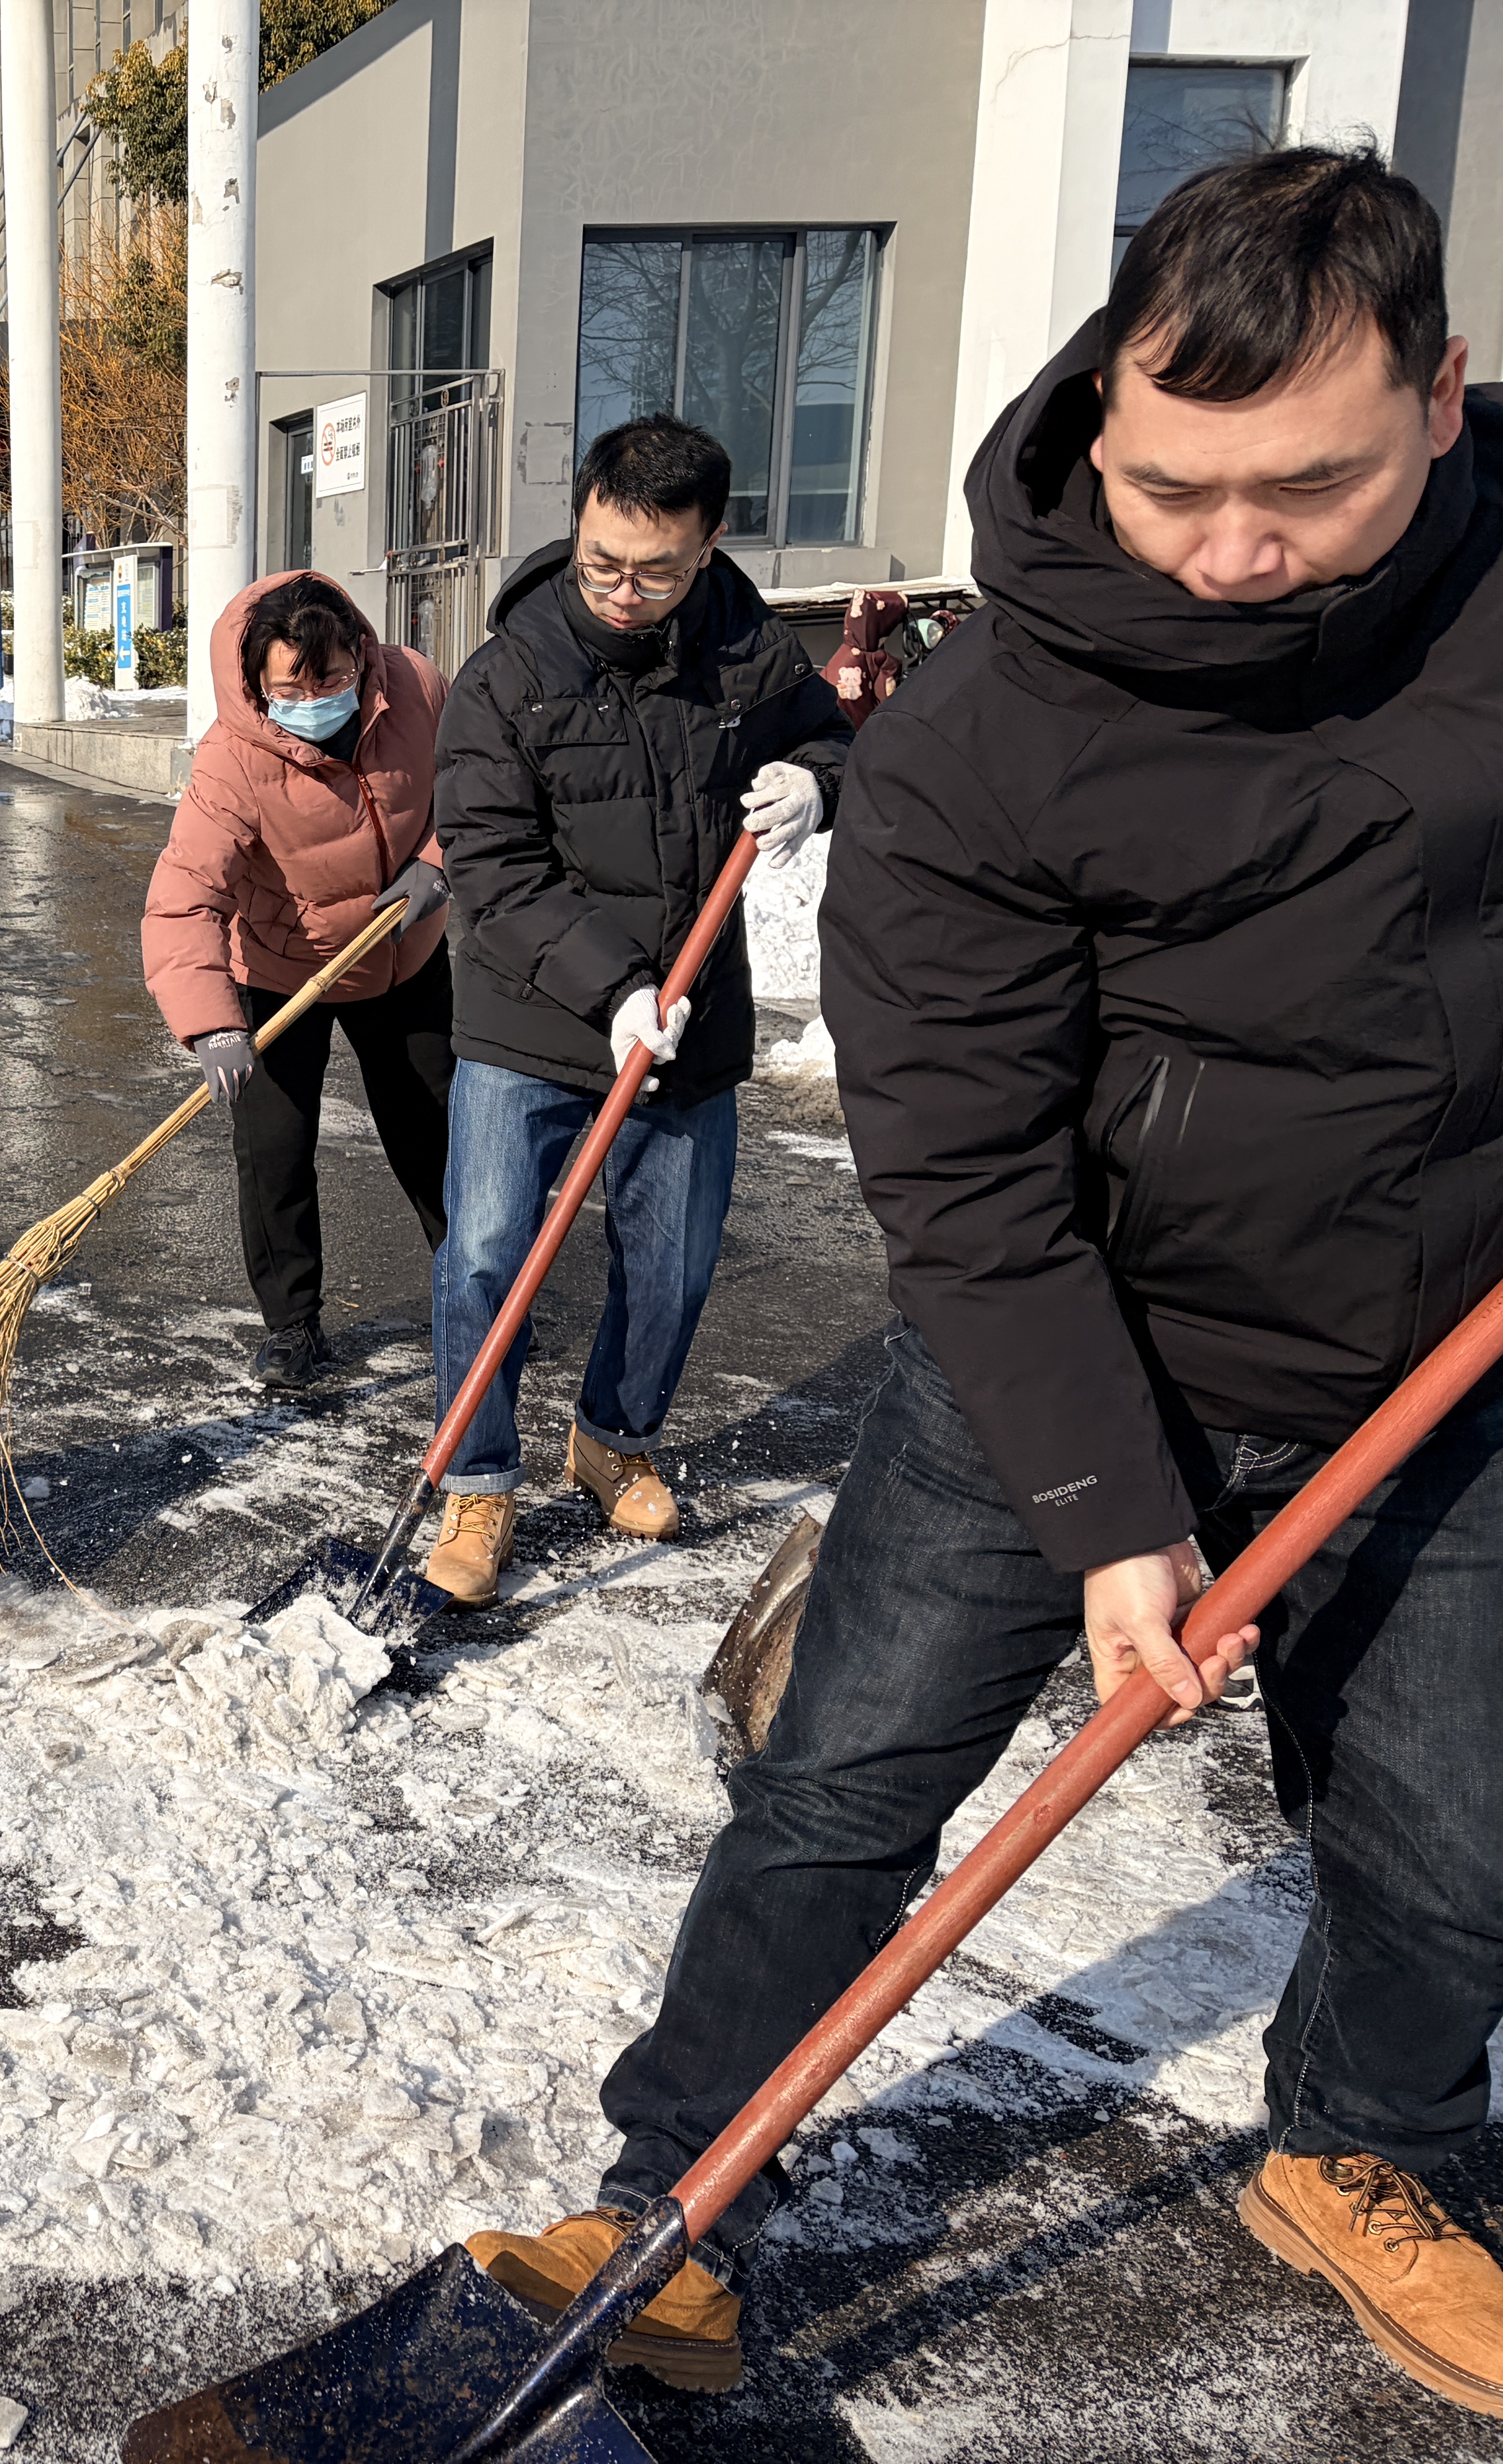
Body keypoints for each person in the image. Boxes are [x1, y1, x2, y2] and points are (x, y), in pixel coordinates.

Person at [466, 146, 1503, 2419]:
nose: (1229, 554)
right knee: (843, 1784)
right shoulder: (984, 734)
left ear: (1443, 402)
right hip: (1069, 1341)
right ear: (1102, 411)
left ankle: (1369, 2149)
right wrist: (1113, 1511)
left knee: (1459, 1836)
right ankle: (676, 2196)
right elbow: (963, 1162)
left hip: (1440, 1358)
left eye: (1311, 490)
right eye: (1172, 486)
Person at [421, 418, 851, 1601]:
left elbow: (840, 738)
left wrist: (818, 781)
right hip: (528, 1016)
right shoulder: (508, 677)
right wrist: (612, 989)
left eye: (654, 572)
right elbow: (493, 867)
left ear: (709, 545)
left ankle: (612, 1438)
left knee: (670, 1262)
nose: (621, 590)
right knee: (487, 1255)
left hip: (689, 1022)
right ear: (579, 523)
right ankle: (478, 1480)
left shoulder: (750, 653)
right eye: (601, 560)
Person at [143, 571, 454, 1387]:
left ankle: (478, 1292)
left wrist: (436, 862)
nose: (313, 701)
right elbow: (184, 898)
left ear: (361, 657)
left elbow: (480, 782)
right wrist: (212, 1022)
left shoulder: (416, 688)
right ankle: (293, 1325)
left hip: (405, 956)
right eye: (289, 689)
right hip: (282, 970)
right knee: (274, 1151)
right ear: (256, 682)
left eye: (330, 680)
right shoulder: (231, 761)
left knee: (437, 1134)